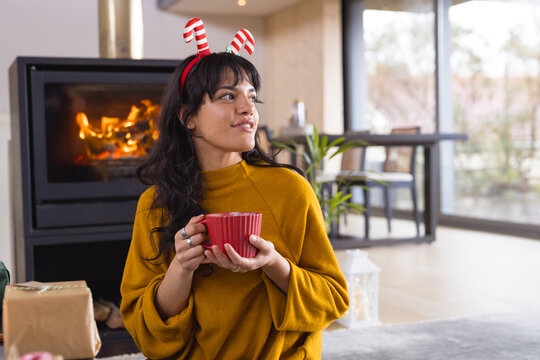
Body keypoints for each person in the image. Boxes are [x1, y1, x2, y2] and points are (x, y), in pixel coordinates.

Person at [120, 19, 349, 360]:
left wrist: (273, 264)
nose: (248, 109)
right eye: (228, 96)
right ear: (188, 117)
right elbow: (148, 333)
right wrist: (181, 267)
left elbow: (333, 300)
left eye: (252, 97)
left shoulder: (290, 190)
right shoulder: (155, 205)